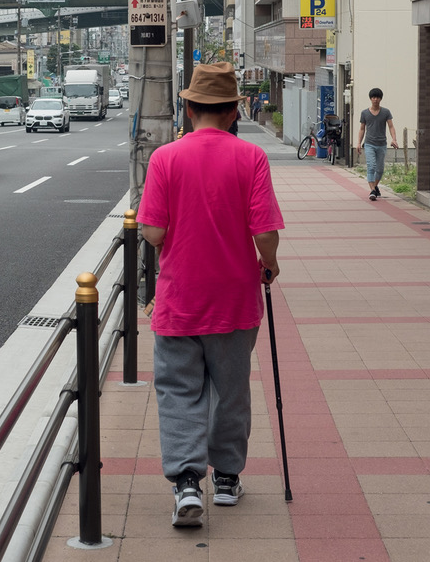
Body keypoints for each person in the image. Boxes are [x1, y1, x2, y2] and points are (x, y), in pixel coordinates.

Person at [137, 61, 284, 528]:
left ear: (190, 108)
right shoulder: (250, 158)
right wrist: (270, 264)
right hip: (235, 300)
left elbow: (152, 231)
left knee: (179, 392)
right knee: (231, 391)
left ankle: (185, 486)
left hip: (180, 298)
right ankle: (225, 479)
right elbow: (265, 232)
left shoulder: (165, 158)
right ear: (232, 112)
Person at [357, 87, 398, 201]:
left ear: (380, 99)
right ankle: (373, 191)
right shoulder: (365, 113)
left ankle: (374, 187)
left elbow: (391, 126)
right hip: (369, 143)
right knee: (371, 166)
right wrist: (359, 143)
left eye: (377, 97)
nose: (375, 99)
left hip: (382, 144)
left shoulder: (386, 112)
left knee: (380, 169)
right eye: (373, 97)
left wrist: (394, 139)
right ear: (370, 98)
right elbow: (362, 129)